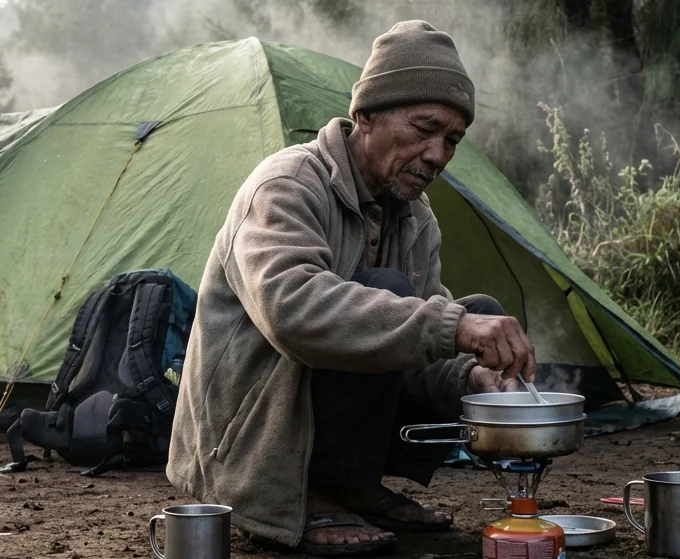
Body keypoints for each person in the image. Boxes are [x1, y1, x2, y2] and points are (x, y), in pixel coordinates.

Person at [166, 20, 537, 557]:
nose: (437, 155)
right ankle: (311, 494)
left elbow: (416, 344)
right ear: (366, 116)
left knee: (476, 315)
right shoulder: (287, 185)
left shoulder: (415, 218)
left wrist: (473, 375)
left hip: (318, 418)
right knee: (411, 302)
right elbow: (292, 311)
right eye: (425, 128)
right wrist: (452, 326)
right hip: (247, 441)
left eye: (452, 140)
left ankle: (355, 487)